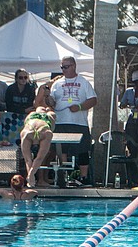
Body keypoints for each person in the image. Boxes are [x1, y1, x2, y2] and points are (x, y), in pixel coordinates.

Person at [39, 56, 97, 187]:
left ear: (73, 66)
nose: (63, 70)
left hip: (79, 122)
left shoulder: (84, 82)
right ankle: (63, 176)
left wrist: (80, 107)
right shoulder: (57, 83)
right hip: (61, 121)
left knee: (82, 149)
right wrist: (47, 97)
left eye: (66, 67)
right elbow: (52, 103)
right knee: (61, 149)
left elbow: (93, 100)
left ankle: (83, 177)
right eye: (62, 67)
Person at [20, 106, 56, 187]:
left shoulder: (31, 114)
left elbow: (25, 122)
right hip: (44, 129)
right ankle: (31, 175)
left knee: (28, 159)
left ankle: (30, 180)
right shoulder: (50, 115)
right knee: (39, 158)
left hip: (28, 129)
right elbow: (52, 126)